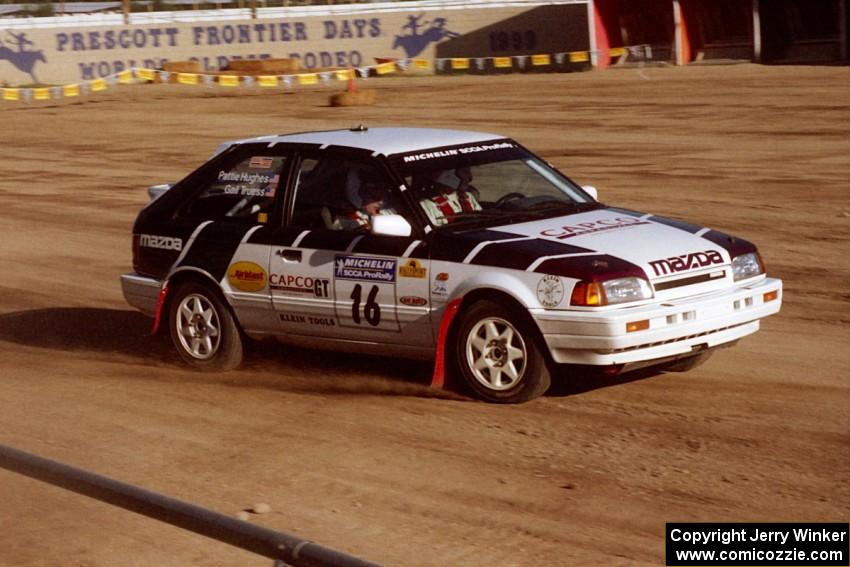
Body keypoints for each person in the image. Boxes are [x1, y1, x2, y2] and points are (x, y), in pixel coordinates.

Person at [323, 176, 396, 231]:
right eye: (376, 197)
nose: (381, 202)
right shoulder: (343, 220)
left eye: (383, 196)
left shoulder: (390, 213)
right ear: (362, 195)